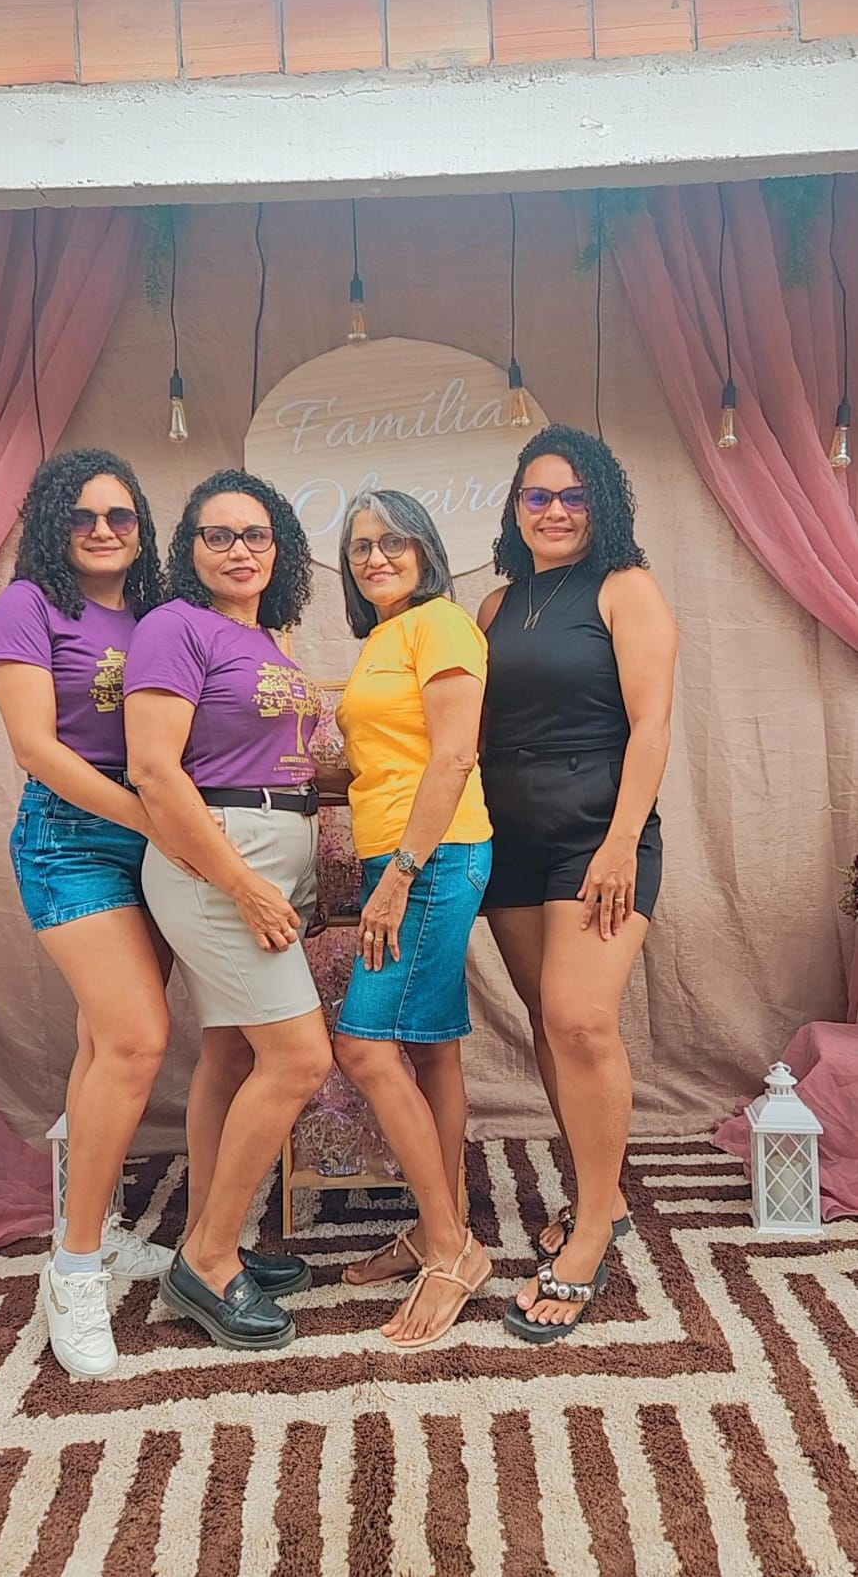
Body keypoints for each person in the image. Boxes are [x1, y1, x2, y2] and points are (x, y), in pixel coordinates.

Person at [123, 468, 332, 1353]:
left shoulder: (267, 638)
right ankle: (207, 1262)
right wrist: (243, 883)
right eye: (218, 535)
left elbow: (272, 754)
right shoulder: (175, 625)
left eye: (255, 534)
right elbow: (154, 767)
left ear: (278, 547)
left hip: (271, 852)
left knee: (231, 1052)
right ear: (191, 548)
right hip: (219, 862)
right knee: (298, 1057)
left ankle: (216, 1235)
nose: (238, 549)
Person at [478, 424, 677, 1343]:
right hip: (509, 841)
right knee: (547, 1023)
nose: (554, 510)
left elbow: (650, 725)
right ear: (516, 507)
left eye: (572, 495)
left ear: (599, 504)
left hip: (597, 835)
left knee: (581, 1019)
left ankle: (592, 1226)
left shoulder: (625, 587)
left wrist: (620, 841)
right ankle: (601, 1195)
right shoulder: (495, 604)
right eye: (537, 495)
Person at [0, 448, 177, 1380]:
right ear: (56, 524)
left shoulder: (158, 613)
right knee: (138, 1040)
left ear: (142, 528)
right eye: (83, 516)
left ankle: (94, 1225)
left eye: (120, 516)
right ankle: (74, 1271)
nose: (102, 530)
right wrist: (151, 818)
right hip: (73, 836)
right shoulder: (28, 605)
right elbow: (35, 746)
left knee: (104, 1048)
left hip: (158, 835)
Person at [332, 489, 493, 1350]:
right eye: (360, 545)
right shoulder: (384, 636)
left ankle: (451, 1246)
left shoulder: (441, 624)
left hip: (427, 856)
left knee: (363, 1046)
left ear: (426, 549)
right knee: (431, 1048)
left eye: (392, 540)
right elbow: (386, 757)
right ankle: (439, 1225)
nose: (375, 556)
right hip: (399, 851)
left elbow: (456, 753)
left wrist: (398, 874)